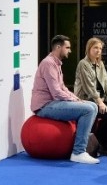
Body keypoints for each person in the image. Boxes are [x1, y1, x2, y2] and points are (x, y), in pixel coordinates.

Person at [29, 35, 100, 164]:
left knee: (93, 106)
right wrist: (75, 101)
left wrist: (77, 99)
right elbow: (56, 92)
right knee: (88, 110)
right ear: (58, 47)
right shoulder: (48, 63)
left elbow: (63, 88)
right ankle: (78, 152)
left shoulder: (56, 64)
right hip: (44, 106)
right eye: (67, 47)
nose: (70, 51)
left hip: (54, 102)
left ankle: (81, 146)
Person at [73, 37, 107, 155]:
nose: (98, 51)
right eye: (95, 48)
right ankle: (98, 141)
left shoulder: (100, 64)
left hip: (100, 99)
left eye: (100, 48)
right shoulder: (83, 64)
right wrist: (100, 102)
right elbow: (89, 87)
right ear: (89, 48)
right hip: (87, 100)